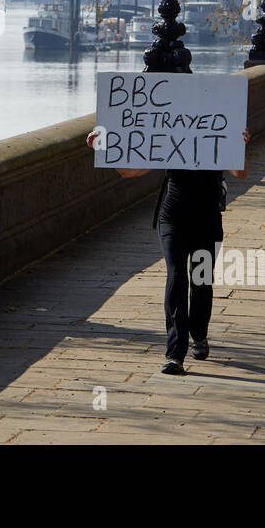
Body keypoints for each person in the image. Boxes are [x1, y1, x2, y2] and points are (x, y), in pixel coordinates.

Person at [87, 125, 251, 375]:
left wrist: (240, 145)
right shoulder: (170, 133)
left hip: (207, 220)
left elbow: (240, 173)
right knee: (176, 275)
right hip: (172, 217)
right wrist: (104, 148)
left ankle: (199, 334)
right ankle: (175, 353)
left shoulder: (218, 131)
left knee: (201, 280)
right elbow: (131, 171)